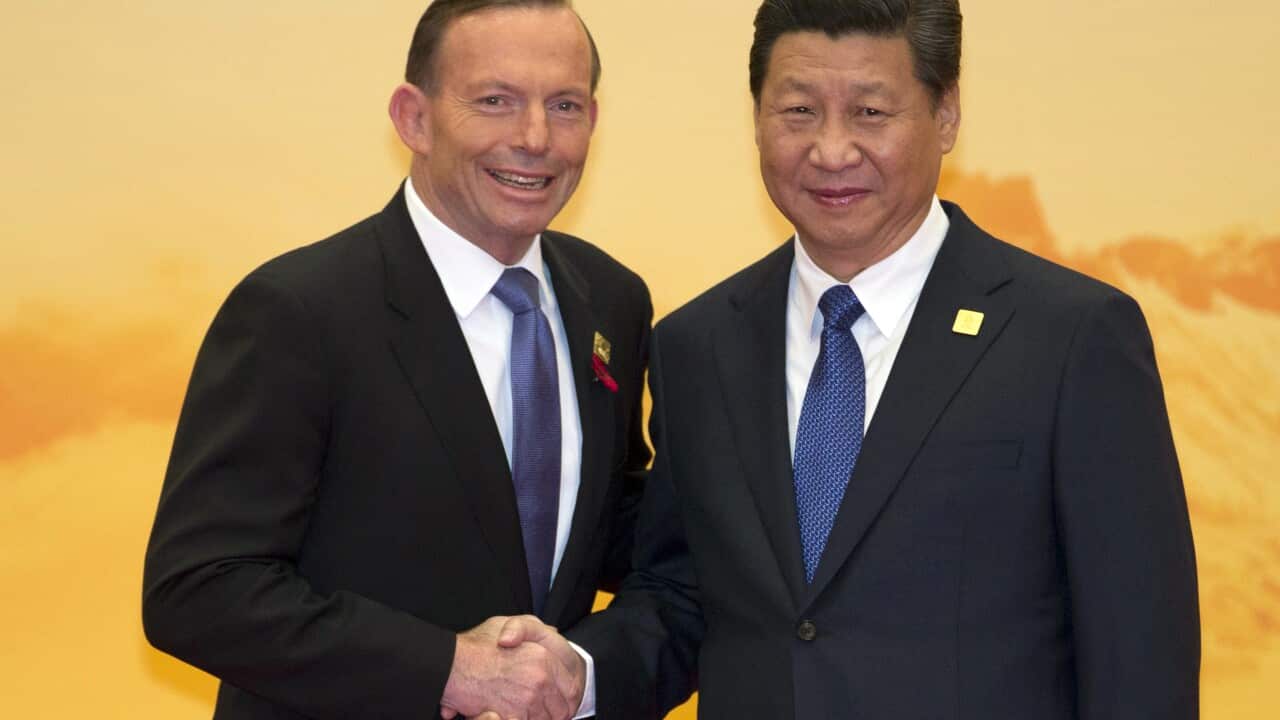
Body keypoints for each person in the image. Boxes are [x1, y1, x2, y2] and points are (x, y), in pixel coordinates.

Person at [559, 1, 1200, 718]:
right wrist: (573, 674)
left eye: (870, 113)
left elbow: (1139, 659)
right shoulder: (696, 346)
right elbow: (684, 597)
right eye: (798, 111)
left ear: (946, 114)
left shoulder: (1072, 338)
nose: (832, 150)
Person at [142, 2, 650, 718]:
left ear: (593, 122)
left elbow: (612, 526)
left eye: (563, 105)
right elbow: (198, 589)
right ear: (413, 117)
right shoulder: (298, 311)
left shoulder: (613, 302)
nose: (535, 138)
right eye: (495, 101)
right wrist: (450, 670)